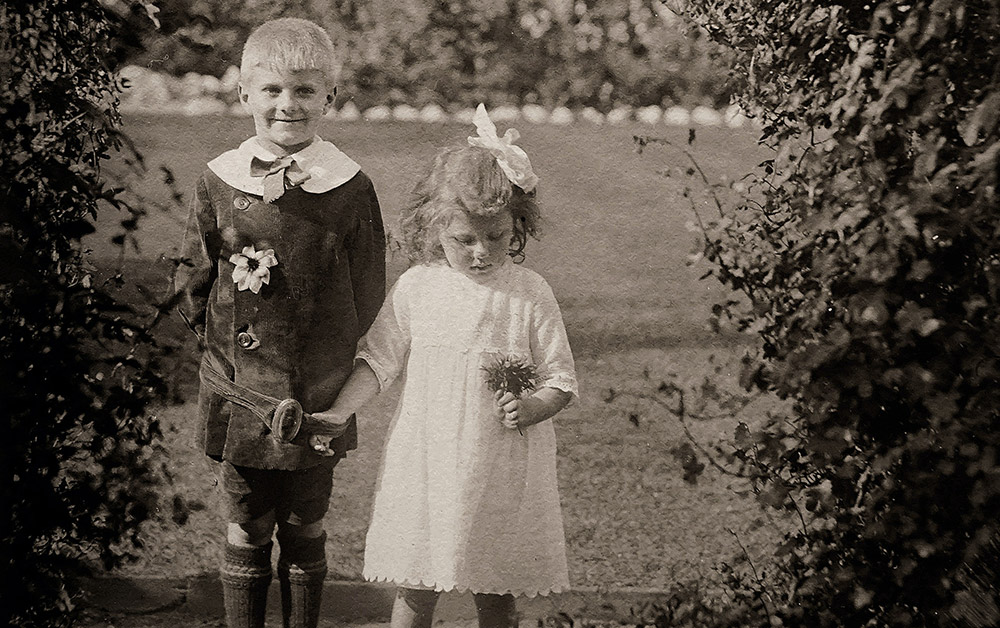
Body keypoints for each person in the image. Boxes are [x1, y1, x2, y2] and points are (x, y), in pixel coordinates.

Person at [313, 104, 578, 628]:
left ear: (517, 224)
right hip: (429, 459)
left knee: (493, 585)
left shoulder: (528, 293)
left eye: (497, 236)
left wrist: (531, 407)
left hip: (499, 463)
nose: (481, 253)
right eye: (464, 240)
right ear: (435, 227)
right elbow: (379, 360)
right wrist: (339, 412)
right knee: (418, 583)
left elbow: (561, 378)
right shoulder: (419, 287)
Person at [172, 17, 385, 628]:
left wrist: (327, 359)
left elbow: (369, 285)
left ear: (329, 98)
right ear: (245, 95)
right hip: (243, 387)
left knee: (305, 520)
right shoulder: (219, 179)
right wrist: (227, 354)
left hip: (316, 390)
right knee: (247, 520)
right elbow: (192, 282)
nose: (286, 104)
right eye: (272, 90)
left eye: (304, 90)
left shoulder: (350, 186)